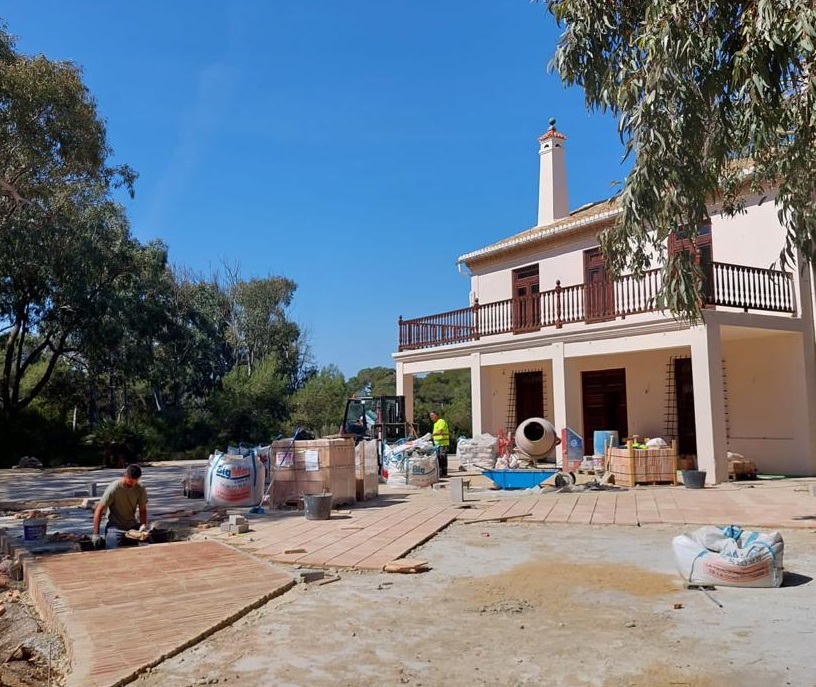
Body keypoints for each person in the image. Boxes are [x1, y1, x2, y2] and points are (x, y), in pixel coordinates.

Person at [92, 464, 149, 549]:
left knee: (149, 542)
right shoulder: (114, 488)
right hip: (115, 527)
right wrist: (96, 533)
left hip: (132, 526)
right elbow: (99, 509)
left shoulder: (140, 488)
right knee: (113, 547)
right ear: (125, 475)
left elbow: (143, 510)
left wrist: (143, 526)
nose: (131, 485)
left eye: (134, 482)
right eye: (129, 483)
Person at [429, 410, 450, 478]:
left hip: (442, 443)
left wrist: (431, 435)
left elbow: (440, 432)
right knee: (439, 458)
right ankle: (440, 472)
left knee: (442, 458)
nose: (431, 417)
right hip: (437, 444)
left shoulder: (441, 421)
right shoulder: (435, 423)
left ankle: (444, 473)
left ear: (437, 415)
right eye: (430, 416)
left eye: (432, 416)